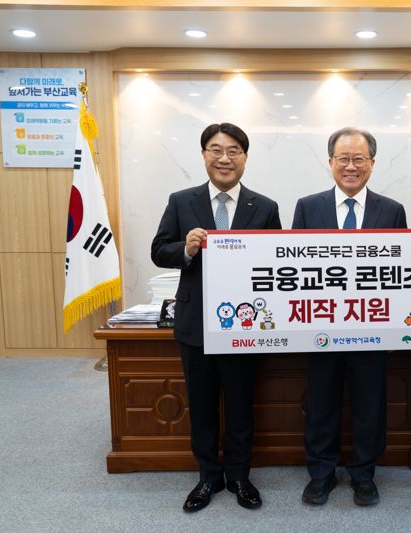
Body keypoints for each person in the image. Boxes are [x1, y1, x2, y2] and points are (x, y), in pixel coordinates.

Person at [151, 123, 282, 512]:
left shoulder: (265, 207)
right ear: (204, 155)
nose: (225, 158)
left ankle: (239, 476)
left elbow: (277, 262)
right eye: (216, 150)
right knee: (202, 406)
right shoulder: (181, 201)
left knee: (240, 406)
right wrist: (186, 249)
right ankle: (208, 477)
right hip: (196, 323)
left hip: (245, 324)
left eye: (233, 151)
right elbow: (159, 250)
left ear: (245, 157)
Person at [292, 127, 407, 507]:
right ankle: (321, 474)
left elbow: (401, 273)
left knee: (369, 406)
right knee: (320, 404)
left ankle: (363, 474)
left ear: (372, 163)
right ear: (330, 162)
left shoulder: (392, 211)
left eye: (359, 159)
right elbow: (293, 270)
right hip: (321, 327)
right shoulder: (307, 207)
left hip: (372, 329)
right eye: (344, 158)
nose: (351, 166)